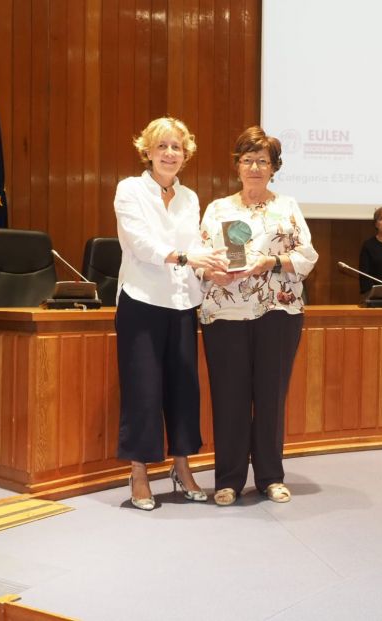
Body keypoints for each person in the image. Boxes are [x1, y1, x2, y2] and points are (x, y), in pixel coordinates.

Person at [199, 126, 318, 506]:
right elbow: (199, 257)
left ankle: (270, 476)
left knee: (270, 396)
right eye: (247, 160)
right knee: (229, 397)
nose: (254, 167)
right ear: (237, 166)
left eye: (262, 161)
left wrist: (271, 261)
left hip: (278, 312)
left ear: (273, 168)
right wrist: (209, 270)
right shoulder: (218, 209)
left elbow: (307, 257)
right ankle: (228, 480)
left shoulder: (288, 207)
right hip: (224, 314)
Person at [114, 117, 227, 510]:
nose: (169, 153)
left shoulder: (190, 198)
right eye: (161, 146)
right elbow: (141, 244)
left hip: (183, 302)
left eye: (176, 147)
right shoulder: (129, 190)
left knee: (184, 390)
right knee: (143, 390)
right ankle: (139, 472)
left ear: (186, 154)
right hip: (142, 300)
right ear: (147, 150)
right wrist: (185, 257)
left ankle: (182, 466)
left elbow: (196, 245)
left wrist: (208, 267)